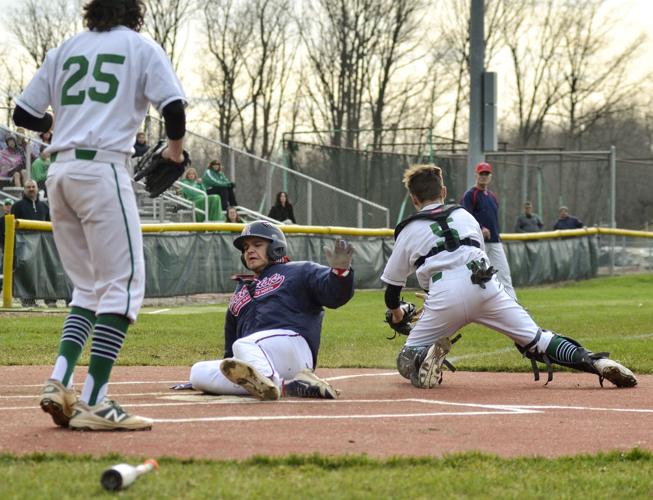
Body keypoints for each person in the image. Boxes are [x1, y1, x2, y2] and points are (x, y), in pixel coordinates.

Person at [13, 0, 187, 431]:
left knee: (88, 288)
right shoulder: (141, 47)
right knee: (124, 286)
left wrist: (60, 124)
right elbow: (174, 111)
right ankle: (93, 399)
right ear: (135, 12)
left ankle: (59, 380)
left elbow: (22, 114)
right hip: (102, 169)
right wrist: (175, 151)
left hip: (59, 173)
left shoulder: (66, 49)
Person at [382, 164, 636, 392]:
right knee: (539, 340)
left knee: (405, 359)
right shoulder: (464, 216)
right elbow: (472, 255)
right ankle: (597, 361)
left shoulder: (409, 229)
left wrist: (397, 313)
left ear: (414, 199)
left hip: (443, 292)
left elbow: (392, 290)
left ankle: (422, 358)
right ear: (444, 192)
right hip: (485, 284)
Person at [188, 221, 355, 400]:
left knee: (244, 344)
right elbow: (231, 356)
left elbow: (335, 295)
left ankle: (271, 382)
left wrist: (340, 274)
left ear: (276, 248)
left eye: (257, 245)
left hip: (292, 348)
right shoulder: (240, 292)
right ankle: (288, 386)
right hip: (256, 358)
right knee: (197, 372)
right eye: (245, 248)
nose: (249, 251)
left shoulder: (300, 270)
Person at [461, 161, 516, 300]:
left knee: (504, 275)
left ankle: (515, 306)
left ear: (490, 176)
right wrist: (479, 228)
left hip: (495, 241)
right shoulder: (470, 195)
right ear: (476, 175)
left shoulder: (492, 196)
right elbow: (465, 217)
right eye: (481, 173)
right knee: (475, 276)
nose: (484, 176)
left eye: (486, 174)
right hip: (478, 243)